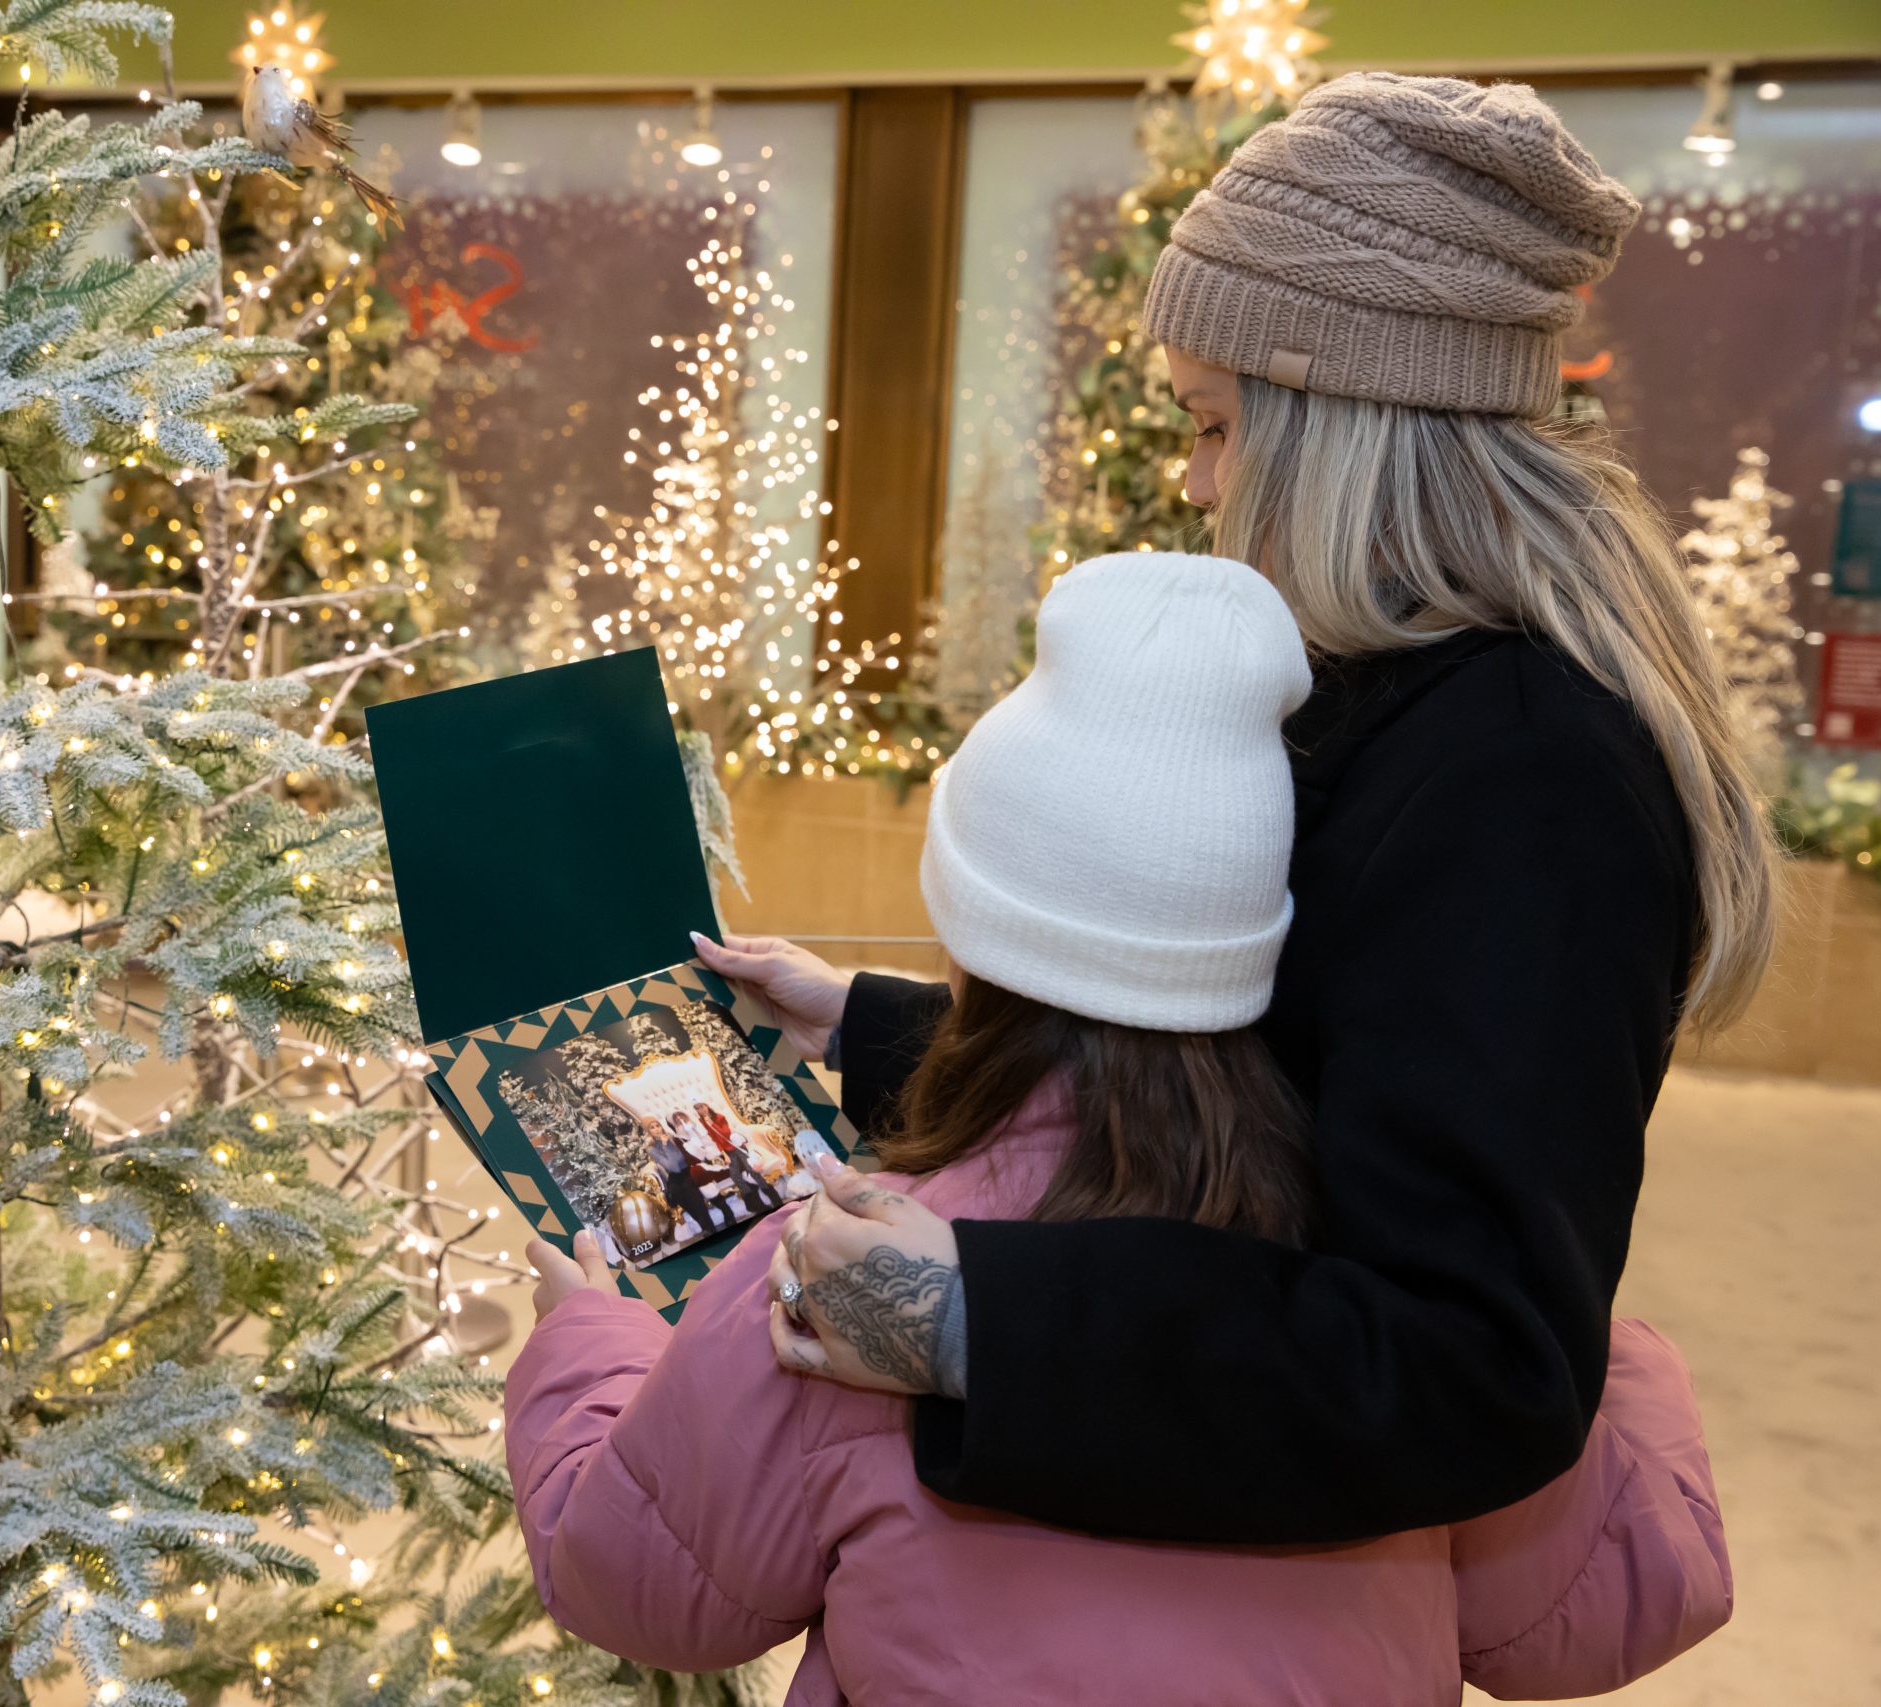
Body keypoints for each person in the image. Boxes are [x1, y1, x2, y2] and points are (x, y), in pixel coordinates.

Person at [698, 69, 1778, 1544]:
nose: (1200, 486)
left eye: (1213, 426)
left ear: (1342, 424)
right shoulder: (1416, 700)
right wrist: (872, 1026)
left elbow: (1468, 1362)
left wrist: (971, 1320)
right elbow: (1283, 1078)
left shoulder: (1531, 784)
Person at [510, 555, 1730, 1704]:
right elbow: (1612, 1597)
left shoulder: (845, 1277)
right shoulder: (1373, 1292)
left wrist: (590, 1347)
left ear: (969, 933)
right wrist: (1590, 1330)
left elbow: (642, 1583)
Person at [697, 1098, 784, 1213]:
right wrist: (724, 1155)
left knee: (753, 1172)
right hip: (727, 1152)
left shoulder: (719, 1117)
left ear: (706, 1105)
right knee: (736, 1176)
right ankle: (755, 1205)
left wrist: (712, 1123)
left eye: (702, 1106)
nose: (701, 1110)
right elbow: (714, 1140)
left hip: (736, 1147)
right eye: (697, 1108)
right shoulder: (701, 1123)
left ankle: (776, 1201)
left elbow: (725, 1133)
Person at [644, 1115, 721, 1237]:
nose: (657, 1129)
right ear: (649, 1132)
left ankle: (709, 1229)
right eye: (652, 1128)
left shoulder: (673, 1138)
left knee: (691, 1193)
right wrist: (664, 1145)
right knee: (676, 1193)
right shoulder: (651, 1148)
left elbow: (680, 1161)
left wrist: (667, 1143)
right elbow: (672, 1167)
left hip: (686, 1170)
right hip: (675, 1175)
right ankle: (705, 1226)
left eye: (657, 1125)